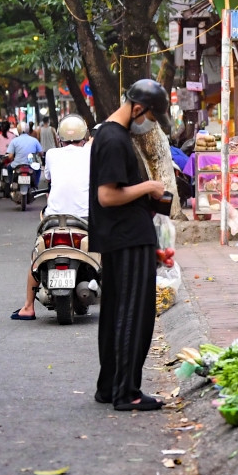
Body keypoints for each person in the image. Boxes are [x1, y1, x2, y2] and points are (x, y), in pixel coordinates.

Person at [89, 79, 169, 411]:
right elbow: (107, 196)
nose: (149, 122)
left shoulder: (112, 135)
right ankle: (127, 392)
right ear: (138, 107)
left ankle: (110, 387)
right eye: (150, 115)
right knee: (133, 316)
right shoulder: (113, 138)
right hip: (126, 238)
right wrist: (150, 186)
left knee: (116, 313)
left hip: (125, 237)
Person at [12, 115, 93, 321]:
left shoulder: (52, 155)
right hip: (85, 217)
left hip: (54, 218)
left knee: (36, 253)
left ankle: (28, 307)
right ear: (85, 136)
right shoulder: (92, 152)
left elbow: (49, 178)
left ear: (60, 137)